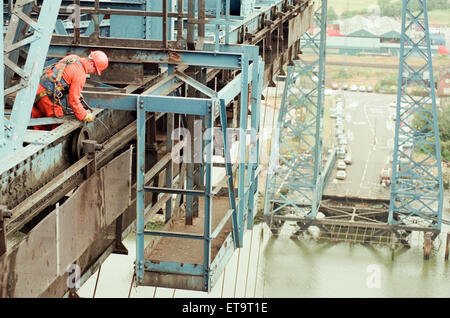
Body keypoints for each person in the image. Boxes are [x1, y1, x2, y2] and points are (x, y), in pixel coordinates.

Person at [32, 50, 109, 130]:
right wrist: (84, 115)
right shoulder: (80, 74)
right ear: (92, 64)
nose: (95, 73)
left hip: (36, 89)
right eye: (95, 70)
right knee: (58, 125)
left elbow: (62, 75)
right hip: (46, 97)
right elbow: (73, 101)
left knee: (37, 121)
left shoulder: (73, 57)